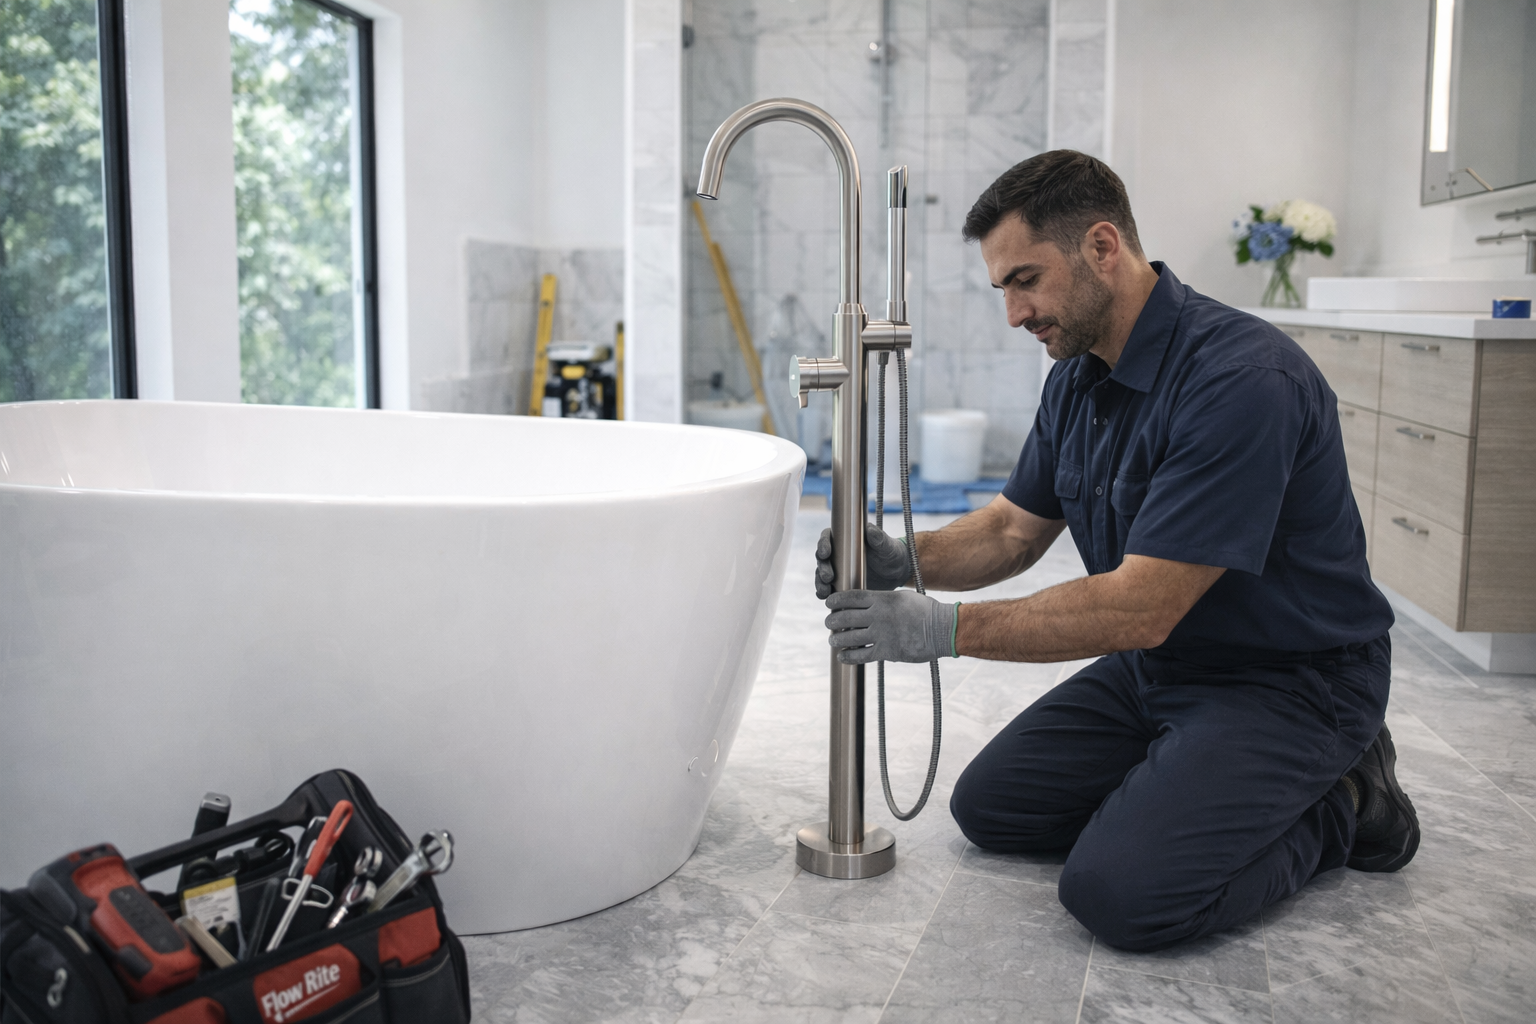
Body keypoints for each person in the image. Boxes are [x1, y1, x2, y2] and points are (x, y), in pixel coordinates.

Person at [817, 150, 1419, 952]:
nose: (1014, 313)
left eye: (1025, 280)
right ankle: (1200, 780)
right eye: (1002, 288)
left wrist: (942, 630)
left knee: (1121, 895)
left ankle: (1344, 799)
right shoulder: (1076, 376)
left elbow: (1141, 605)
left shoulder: (1242, 380)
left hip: (1289, 681)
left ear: (1104, 248)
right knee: (992, 811)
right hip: (1162, 667)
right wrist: (902, 557)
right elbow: (1009, 531)